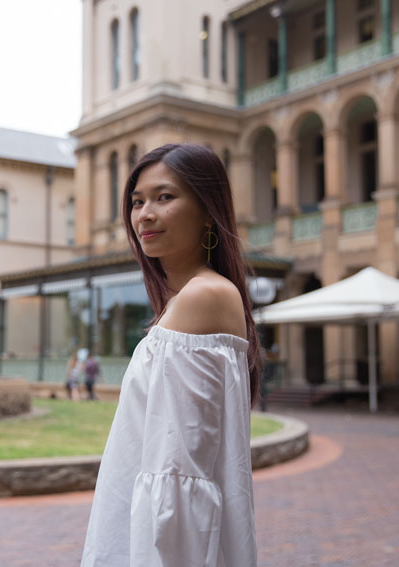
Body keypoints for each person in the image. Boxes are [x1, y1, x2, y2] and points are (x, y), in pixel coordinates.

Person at [81, 144, 260, 566]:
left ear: (207, 210)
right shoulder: (187, 299)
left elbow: (179, 477)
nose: (144, 214)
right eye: (137, 201)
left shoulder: (203, 296)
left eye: (165, 197)